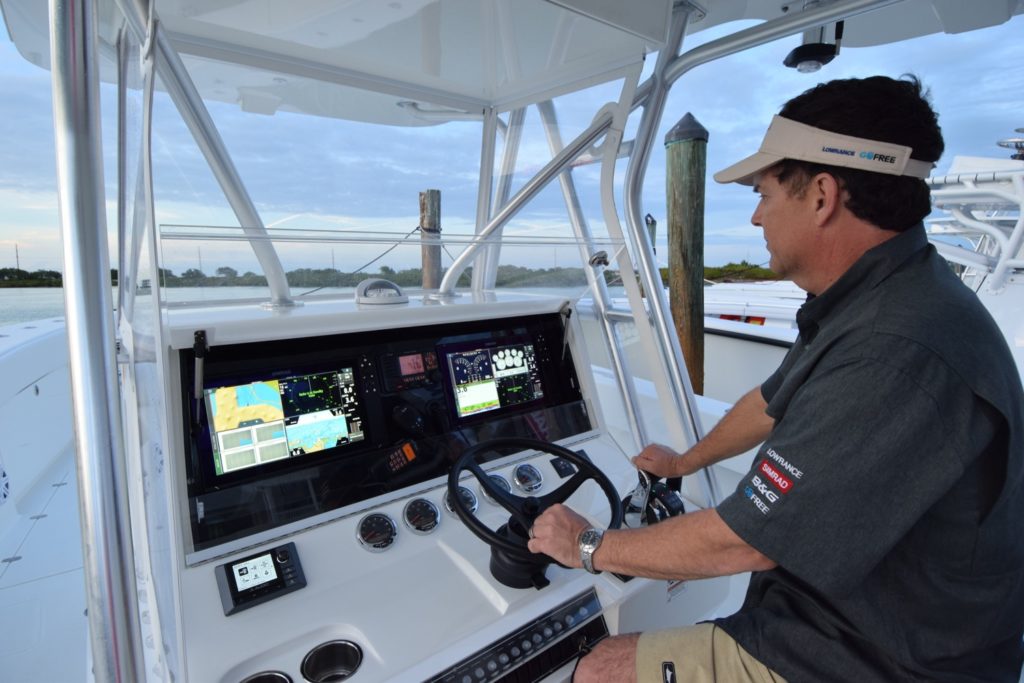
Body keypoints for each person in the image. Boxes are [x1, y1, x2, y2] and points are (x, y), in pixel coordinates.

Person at [527, 75, 1024, 682]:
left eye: (764, 193)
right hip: (853, 616)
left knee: (602, 666)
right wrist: (684, 462)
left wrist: (588, 547)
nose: (758, 216)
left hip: (883, 658)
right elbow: (769, 403)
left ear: (822, 195)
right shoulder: (885, 295)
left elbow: (746, 542)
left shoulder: (891, 349)